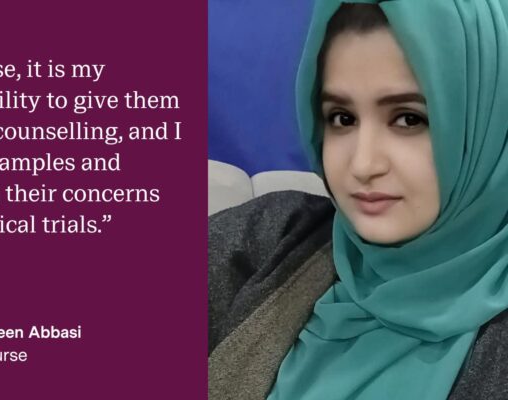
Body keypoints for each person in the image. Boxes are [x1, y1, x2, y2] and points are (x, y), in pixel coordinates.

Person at [208, 1, 508, 399]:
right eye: (342, 118)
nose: (363, 165)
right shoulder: (276, 237)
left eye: (409, 118)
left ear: (488, 123)